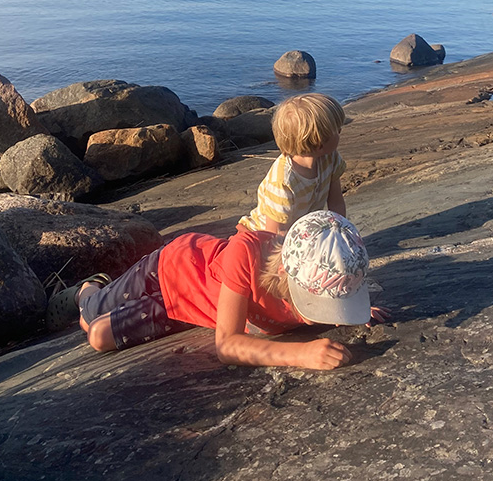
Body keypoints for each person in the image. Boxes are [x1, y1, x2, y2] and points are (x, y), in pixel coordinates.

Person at [49, 210, 373, 371]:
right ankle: (89, 288)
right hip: (168, 273)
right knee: (91, 325)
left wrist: (346, 309)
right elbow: (227, 346)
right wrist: (301, 354)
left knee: (102, 336)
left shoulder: (317, 271)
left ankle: (210, 315)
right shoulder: (246, 252)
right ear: (284, 273)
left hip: (194, 308)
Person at [238, 93, 347, 237]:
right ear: (319, 144)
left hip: (300, 231)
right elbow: (275, 232)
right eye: (337, 131)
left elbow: (336, 201)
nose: (341, 131)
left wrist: (340, 232)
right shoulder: (283, 182)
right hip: (259, 236)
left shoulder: (330, 159)